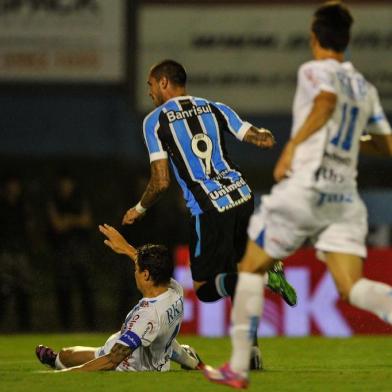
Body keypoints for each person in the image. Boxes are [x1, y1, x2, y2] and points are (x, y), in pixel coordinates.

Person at [204, 1, 392, 388]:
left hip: (306, 189)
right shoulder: (365, 88)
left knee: (251, 267)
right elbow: (386, 144)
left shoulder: (313, 70)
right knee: (351, 288)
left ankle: (238, 368)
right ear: (347, 40)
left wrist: (292, 148)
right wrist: (351, 142)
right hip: (344, 198)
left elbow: (324, 103)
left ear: (314, 38)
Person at [121, 59, 297, 369]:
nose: (150, 92)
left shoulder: (155, 121)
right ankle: (251, 353)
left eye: (150, 85)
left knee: (205, 288)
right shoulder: (215, 108)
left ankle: (262, 277)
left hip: (209, 208)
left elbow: (161, 181)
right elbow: (260, 137)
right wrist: (270, 137)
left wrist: (139, 209)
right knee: (235, 278)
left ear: (163, 83)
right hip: (242, 197)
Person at [36, 224, 203, 372]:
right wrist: (126, 248)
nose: (134, 272)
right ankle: (189, 358)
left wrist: (65, 375)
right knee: (68, 355)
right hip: (156, 355)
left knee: (65, 356)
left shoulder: (147, 315)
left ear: (145, 275)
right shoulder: (175, 290)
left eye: (137, 269)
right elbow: (156, 266)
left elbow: (112, 360)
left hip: (129, 363)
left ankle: (55, 361)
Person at [47, 170, 96, 330]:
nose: (65, 187)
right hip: (62, 251)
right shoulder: (54, 201)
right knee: (63, 289)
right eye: (63, 183)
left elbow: (87, 221)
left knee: (85, 288)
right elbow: (57, 225)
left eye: (68, 183)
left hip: (80, 250)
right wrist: (75, 221)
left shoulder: (80, 200)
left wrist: (68, 220)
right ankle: (65, 326)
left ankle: (91, 326)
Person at [0, 174, 33, 330]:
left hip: (20, 252)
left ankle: (25, 326)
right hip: (5, 253)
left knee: (23, 289)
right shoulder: (2, 205)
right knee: (4, 288)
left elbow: (29, 229)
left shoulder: (23, 206)